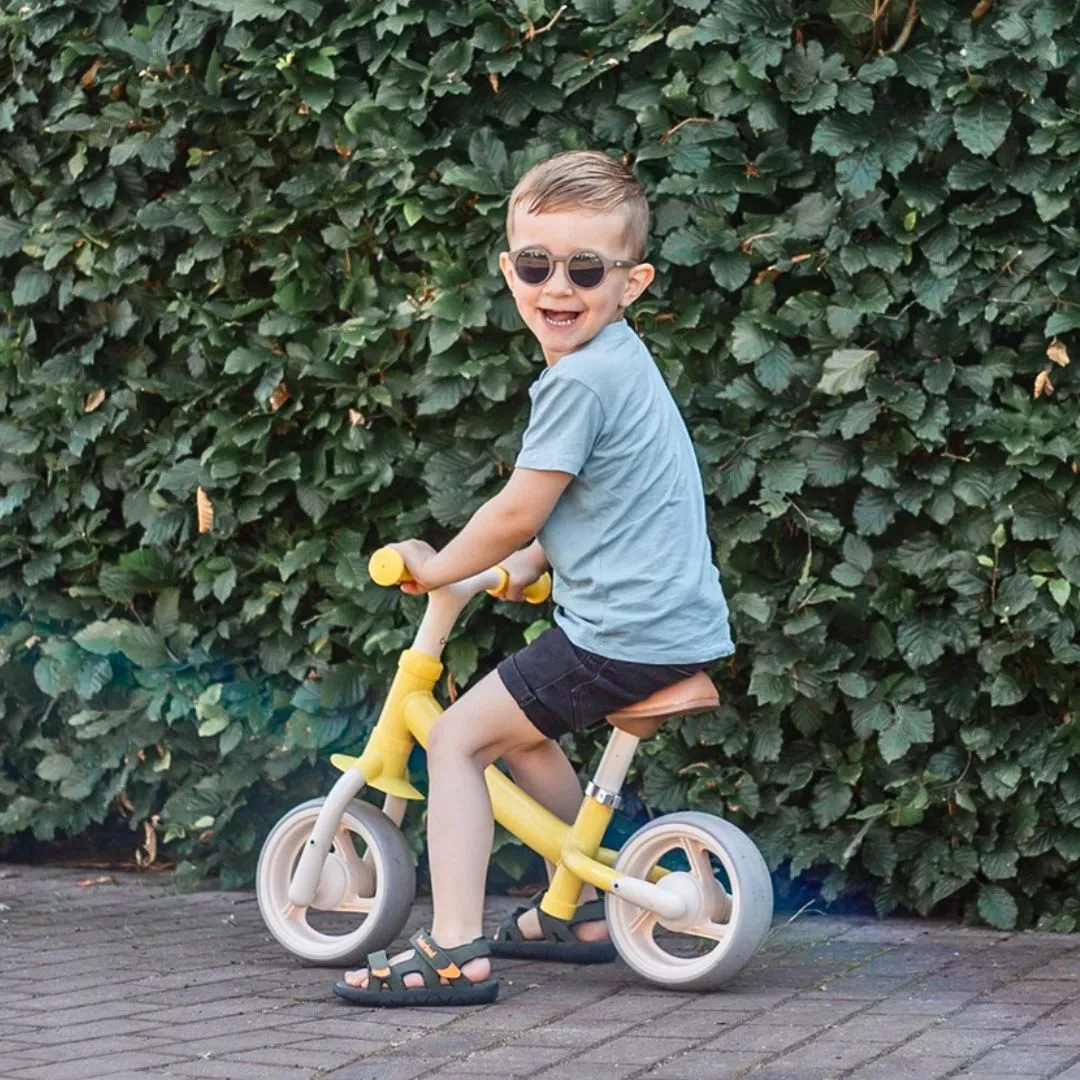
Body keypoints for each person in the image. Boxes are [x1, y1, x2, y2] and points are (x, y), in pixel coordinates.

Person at [335, 150, 734, 1006]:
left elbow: (521, 507)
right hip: (670, 623)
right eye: (535, 264)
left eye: (586, 270)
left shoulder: (578, 381)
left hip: (620, 632)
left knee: (455, 739)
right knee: (519, 732)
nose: (557, 287)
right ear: (507, 268)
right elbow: (609, 495)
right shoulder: (620, 360)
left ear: (632, 282)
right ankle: (576, 910)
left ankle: (452, 949)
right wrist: (530, 565)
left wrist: (440, 567)